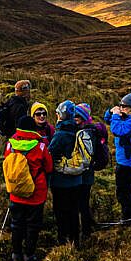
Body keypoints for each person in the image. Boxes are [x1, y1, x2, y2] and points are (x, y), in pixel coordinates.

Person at [4, 115, 53, 261]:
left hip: (16, 192)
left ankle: (16, 254)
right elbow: (49, 167)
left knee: (16, 224)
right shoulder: (41, 146)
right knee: (33, 225)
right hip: (36, 195)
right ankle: (29, 256)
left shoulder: (10, 145)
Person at [103, 93, 131, 223]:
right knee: (123, 190)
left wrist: (116, 115)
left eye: (123, 106)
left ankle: (129, 217)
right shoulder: (128, 118)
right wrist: (111, 112)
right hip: (124, 159)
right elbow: (107, 119)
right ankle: (129, 216)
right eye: (120, 105)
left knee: (123, 191)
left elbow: (118, 130)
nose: (121, 108)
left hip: (128, 161)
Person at [48, 101, 84, 247]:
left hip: (61, 182)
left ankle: (63, 241)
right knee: (74, 211)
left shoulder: (61, 134)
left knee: (61, 212)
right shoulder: (77, 131)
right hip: (77, 180)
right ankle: (76, 240)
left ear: (61, 115)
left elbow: (50, 154)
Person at [74, 103, 106, 234]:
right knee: (84, 202)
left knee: (81, 203)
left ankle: (86, 230)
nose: (74, 118)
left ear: (82, 117)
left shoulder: (86, 133)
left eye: (77, 116)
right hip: (88, 173)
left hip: (84, 174)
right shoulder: (91, 130)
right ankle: (89, 224)